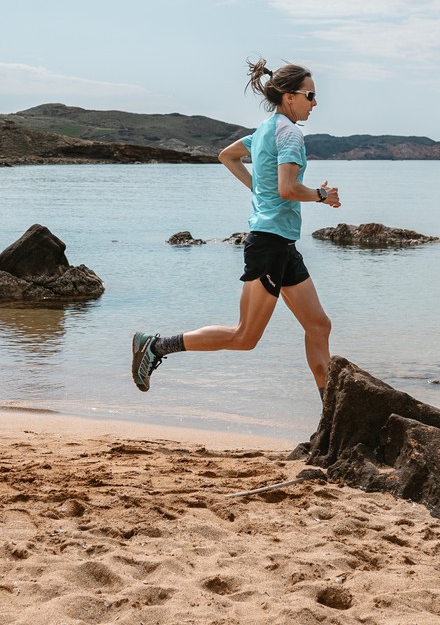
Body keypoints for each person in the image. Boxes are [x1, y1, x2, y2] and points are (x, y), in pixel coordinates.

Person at [131, 59, 341, 397]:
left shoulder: (265, 130)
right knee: (244, 336)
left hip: (282, 245)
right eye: (310, 95)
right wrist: (322, 195)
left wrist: (260, 189)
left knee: (319, 325)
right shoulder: (290, 134)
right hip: (269, 246)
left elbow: (226, 156)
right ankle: (155, 346)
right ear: (289, 97)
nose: (315, 103)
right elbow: (287, 189)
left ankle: (330, 412)